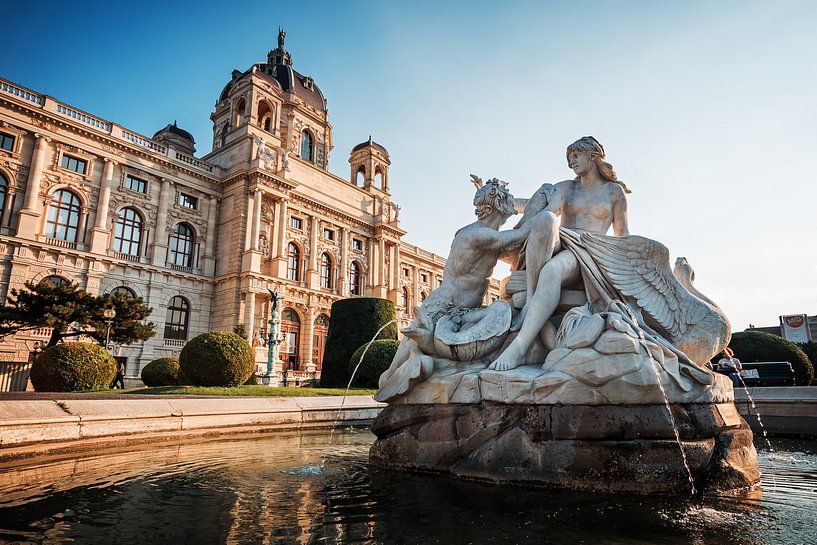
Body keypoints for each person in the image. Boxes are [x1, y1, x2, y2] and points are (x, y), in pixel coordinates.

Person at [490, 136, 630, 371]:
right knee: (546, 218)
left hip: (589, 253)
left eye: (575, 156)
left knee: (552, 270)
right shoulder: (566, 187)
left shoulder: (614, 192)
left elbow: (623, 236)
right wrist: (501, 200)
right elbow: (535, 208)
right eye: (569, 158)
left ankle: (519, 348)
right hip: (562, 244)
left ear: (592, 156)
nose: (571, 163)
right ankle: (532, 299)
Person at [379, 178, 531, 387]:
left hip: (464, 311)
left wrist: (494, 192)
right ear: (496, 206)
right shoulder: (478, 235)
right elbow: (522, 234)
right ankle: (393, 378)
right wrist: (551, 207)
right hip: (443, 306)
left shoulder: (484, 232)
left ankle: (415, 371)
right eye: (506, 201)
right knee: (400, 361)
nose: (511, 206)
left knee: (503, 313)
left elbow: (516, 207)